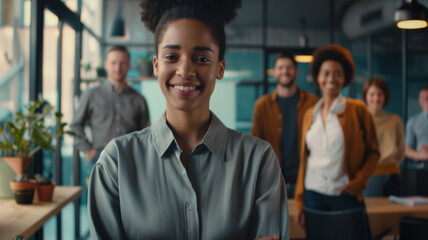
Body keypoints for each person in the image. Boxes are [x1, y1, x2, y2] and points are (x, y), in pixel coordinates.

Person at [88, 0, 289, 239]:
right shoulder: (116, 162)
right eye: (171, 57)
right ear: (155, 65)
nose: (185, 70)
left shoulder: (259, 162)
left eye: (202, 59)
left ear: (220, 68)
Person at [294, 44, 379, 229]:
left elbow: (373, 152)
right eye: (325, 73)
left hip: (344, 193)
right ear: (317, 77)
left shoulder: (358, 110)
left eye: (337, 73)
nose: (331, 78)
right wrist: (300, 201)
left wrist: (358, 183)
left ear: (345, 78)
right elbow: (305, 161)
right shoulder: (310, 114)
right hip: (313, 194)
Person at [70, 45, 150, 178]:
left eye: (122, 63)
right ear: (106, 64)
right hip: (99, 162)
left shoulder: (139, 99)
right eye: (113, 63)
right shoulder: (91, 95)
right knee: (99, 199)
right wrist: (89, 151)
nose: (118, 68)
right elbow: (75, 126)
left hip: (130, 164)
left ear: (129, 65)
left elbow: (147, 134)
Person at [251, 52, 318, 198]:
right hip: (272, 177)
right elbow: (255, 142)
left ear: (296, 71)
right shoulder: (262, 105)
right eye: (280, 68)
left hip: (307, 177)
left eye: (289, 67)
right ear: (274, 72)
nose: (285, 71)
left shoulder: (312, 102)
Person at [362, 77, 405, 197]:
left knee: (393, 213)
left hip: (391, 175)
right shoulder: (360, 119)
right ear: (365, 96)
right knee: (369, 213)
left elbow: (401, 150)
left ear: (385, 97)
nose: (376, 98)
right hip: (367, 176)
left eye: (380, 94)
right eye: (372, 94)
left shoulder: (395, 120)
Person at [405, 86, 428, 167]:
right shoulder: (413, 122)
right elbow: (406, 149)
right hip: (421, 167)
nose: (426, 100)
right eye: (422, 98)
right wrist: (421, 155)